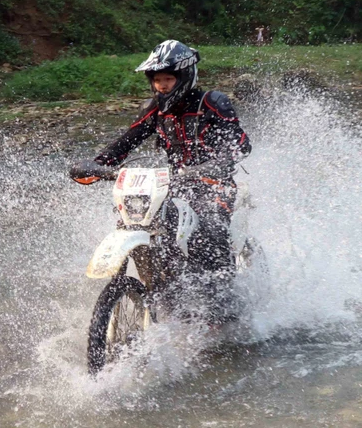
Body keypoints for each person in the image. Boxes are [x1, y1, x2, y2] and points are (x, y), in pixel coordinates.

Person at [92, 40, 252, 322]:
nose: (162, 85)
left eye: (168, 79)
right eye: (157, 80)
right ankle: (163, 290)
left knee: (210, 228)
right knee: (140, 221)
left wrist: (216, 164)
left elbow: (240, 145)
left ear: (184, 76)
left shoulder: (212, 103)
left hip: (215, 185)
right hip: (174, 186)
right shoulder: (156, 109)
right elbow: (127, 141)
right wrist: (97, 164)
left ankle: (224, 307)